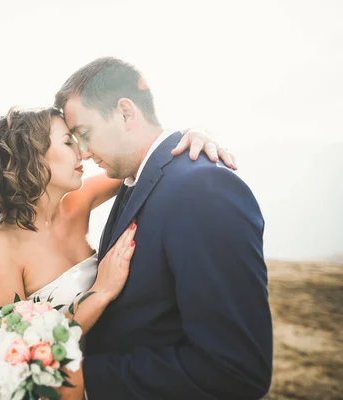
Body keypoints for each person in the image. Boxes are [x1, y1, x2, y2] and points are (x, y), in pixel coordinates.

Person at [0, 102, 236, 396]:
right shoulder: (1, 246)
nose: (82, 152)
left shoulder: (79, 201)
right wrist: (100, 293)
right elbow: (14, 352)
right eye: (68, 142)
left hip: (101, 376)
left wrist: (192, 134)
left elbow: (148, 160)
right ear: (30, 158)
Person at [51, 57, 273, 399]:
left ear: (125, 112)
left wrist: (85, 381)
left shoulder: (203, 189)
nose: (82, 151)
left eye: (84, 134)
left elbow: (235, 369)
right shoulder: (134, 181)